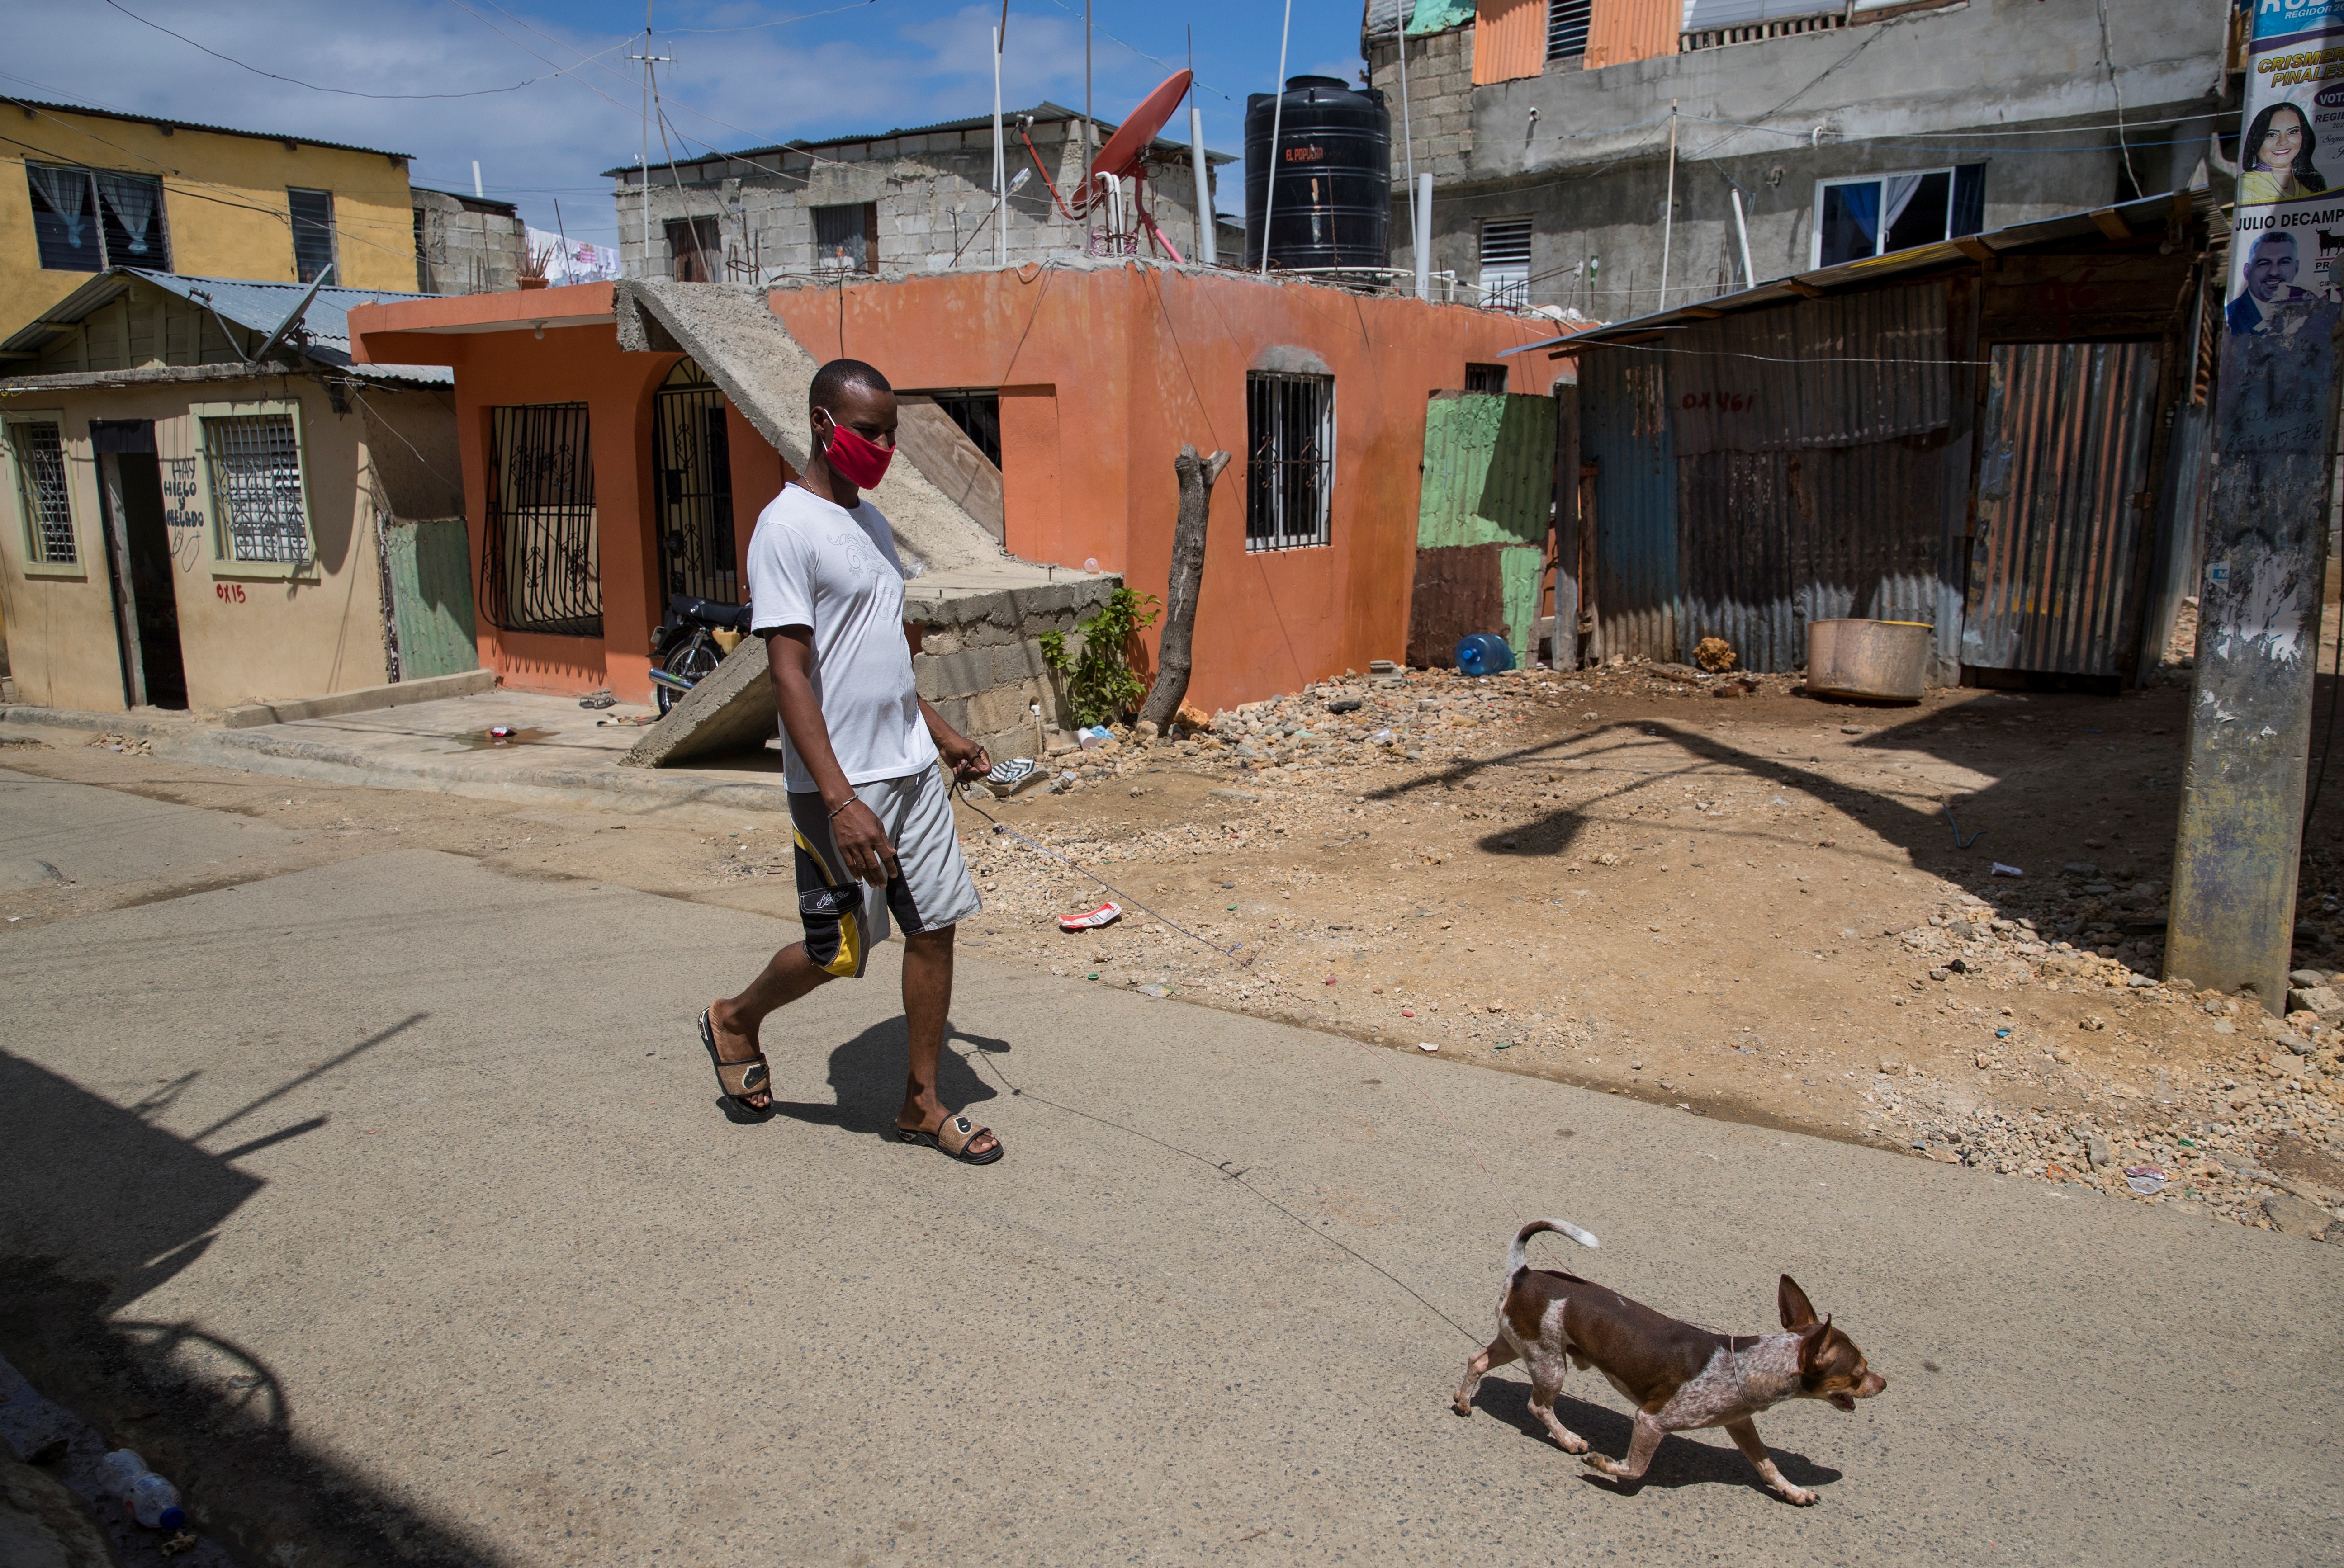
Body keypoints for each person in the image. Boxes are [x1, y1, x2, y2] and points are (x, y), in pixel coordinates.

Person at [700, 358, 1003, 1164]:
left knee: (933, 927)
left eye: (891, 433)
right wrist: (838, 798)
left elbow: (877, 655)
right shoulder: (786, 527)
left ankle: (920, 1102)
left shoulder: (868, 525)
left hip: (907, 767)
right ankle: (734, 1016)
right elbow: (789, 671)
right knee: (839, 951)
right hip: (841, 784)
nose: (883, 446)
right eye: (869, 431)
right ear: (821, 424)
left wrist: (937, 730)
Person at [2227, 231, 2335, 337]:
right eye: (2264, 264)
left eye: (2284, 262)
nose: (2274, 272)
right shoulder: (2231, 316)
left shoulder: (2313, 309)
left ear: (2296, 268)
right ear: (2247, 271)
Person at [2239, 102, 2326, 205]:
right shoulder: (2247, 185)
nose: (2283, 142)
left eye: (2293, 132)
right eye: (2271, 135)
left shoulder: (2313, 181)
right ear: (2256, 140)